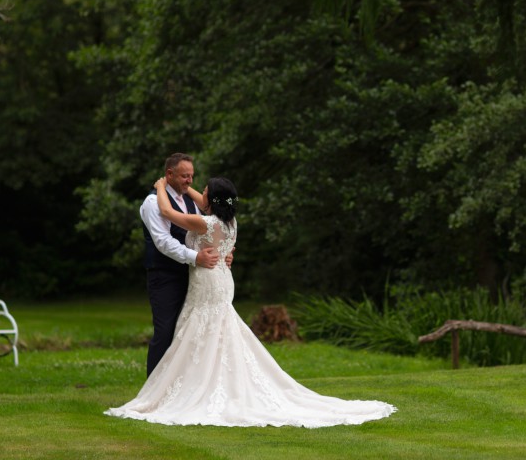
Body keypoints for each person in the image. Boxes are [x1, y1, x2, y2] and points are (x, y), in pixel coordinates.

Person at [106, 177, 396, 427]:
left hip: (208, 281)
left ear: (210, 200)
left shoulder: (204, 222)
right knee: (216, 330)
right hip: (221, 279)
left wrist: (160, 186)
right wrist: (189, 187)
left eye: (203, 191)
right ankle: (208, 381)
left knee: (203, 329)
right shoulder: (230, 222)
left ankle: (198, 387)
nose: (198, 193)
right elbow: (207, 200)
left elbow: (168, 211)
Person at [139, 153, 231, 377]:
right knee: (166, 331)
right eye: (184, 176)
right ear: (169, 174)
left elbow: (215, 229)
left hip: (197, 276)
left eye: (192, 176)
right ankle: (154, 388)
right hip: (166, 275)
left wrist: (226, 253)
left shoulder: (196, 202)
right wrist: (195, 257)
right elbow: (163, 241)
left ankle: (187, 385)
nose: (190, 181)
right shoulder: (153, 202)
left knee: (192, 331)